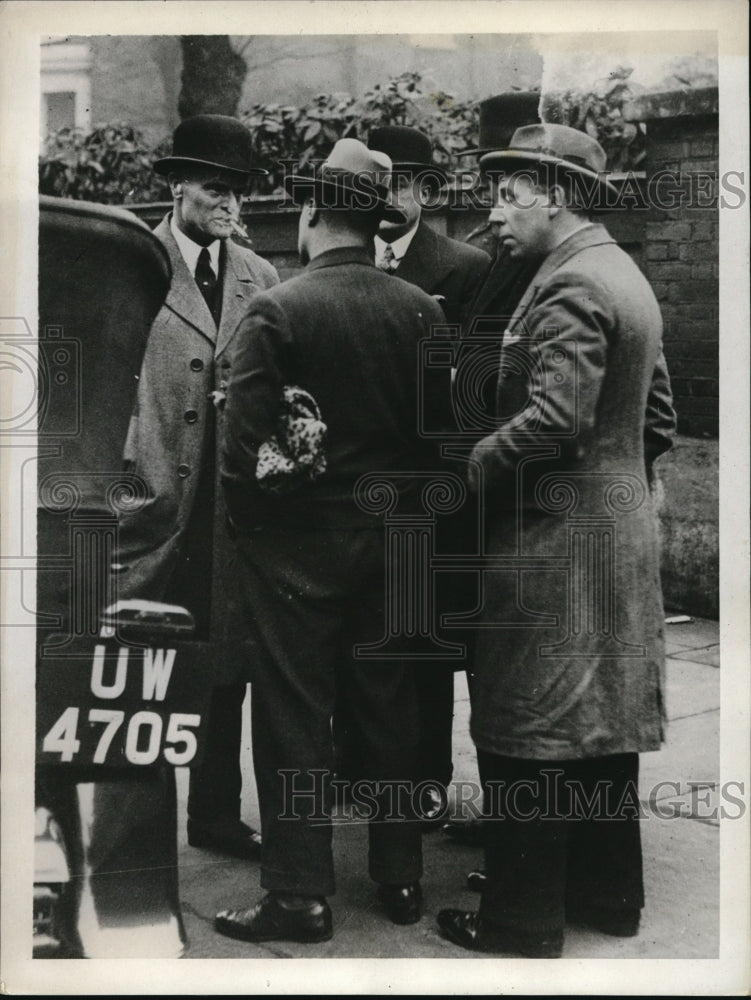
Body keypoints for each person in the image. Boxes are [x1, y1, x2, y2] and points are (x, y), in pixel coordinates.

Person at [437, 124, 675, 958]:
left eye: (508, 196)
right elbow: (656, 419)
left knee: (528, 723)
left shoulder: (568, 282)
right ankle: (606, 895)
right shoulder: (622, 273)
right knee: (601, 723)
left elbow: (553, 421)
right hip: (614, 538)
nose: (492, 214)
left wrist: (471, 466)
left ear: (558, 196)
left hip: (551, 546)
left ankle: (520, 919)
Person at [214, 138, 451, 944]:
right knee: (389, 710)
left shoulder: (278, 309)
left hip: (294, 549)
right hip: (391, 544)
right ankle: (400, 877)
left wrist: (255, 533)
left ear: (312, 213)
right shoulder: (420, 309)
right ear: (374, 221)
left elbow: (240, 452)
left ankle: (298, 895)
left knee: (292, 718)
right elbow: (439, 442)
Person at [115, 114, 279, 860]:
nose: (230, 204)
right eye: (216, 188)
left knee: (223, 666)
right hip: (152, 505)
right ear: (177, 185)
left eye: (239, 191)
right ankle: (127, 826)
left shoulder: (259, 277)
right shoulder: (133, 267)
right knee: (138, 663)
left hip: (227, 509)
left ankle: (214, 815)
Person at [354, 125, 491, 825]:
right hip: (358, 489)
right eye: (375, 184)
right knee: (362, 636)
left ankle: (428, 779)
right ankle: (364, 775)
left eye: (402, 183)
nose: (388, 197)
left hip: (430, 493)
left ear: (426, 192)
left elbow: (478, 393)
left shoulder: (464, 267)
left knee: (426, 642)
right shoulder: (345, 260)